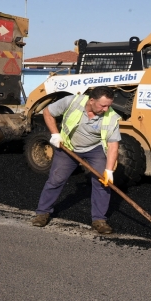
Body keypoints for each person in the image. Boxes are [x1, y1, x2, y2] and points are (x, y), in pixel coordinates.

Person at [31, 86, 121, 234]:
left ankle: (99, 220)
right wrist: (55, 134)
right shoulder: (72, 101)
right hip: (68, 147)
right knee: (56, 179)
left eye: (108, 106)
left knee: (103, 183)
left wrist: (109, 170)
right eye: (103, 105)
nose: (106, 109)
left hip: (95, 149)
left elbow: (113, 146)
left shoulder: (111, 117)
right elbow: (47, 112)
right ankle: (42, 213)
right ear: (92, 100)